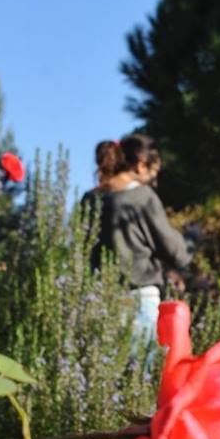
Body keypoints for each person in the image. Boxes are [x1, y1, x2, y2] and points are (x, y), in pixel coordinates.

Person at [86, 135, 190, 345]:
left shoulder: (90, 199)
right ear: (142, 165)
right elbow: (175, 251)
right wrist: (190, 241)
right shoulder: (142, 196)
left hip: (99, 300)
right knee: (144, 371)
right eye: (154, 173)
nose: (155, 181)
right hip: (140, 299)